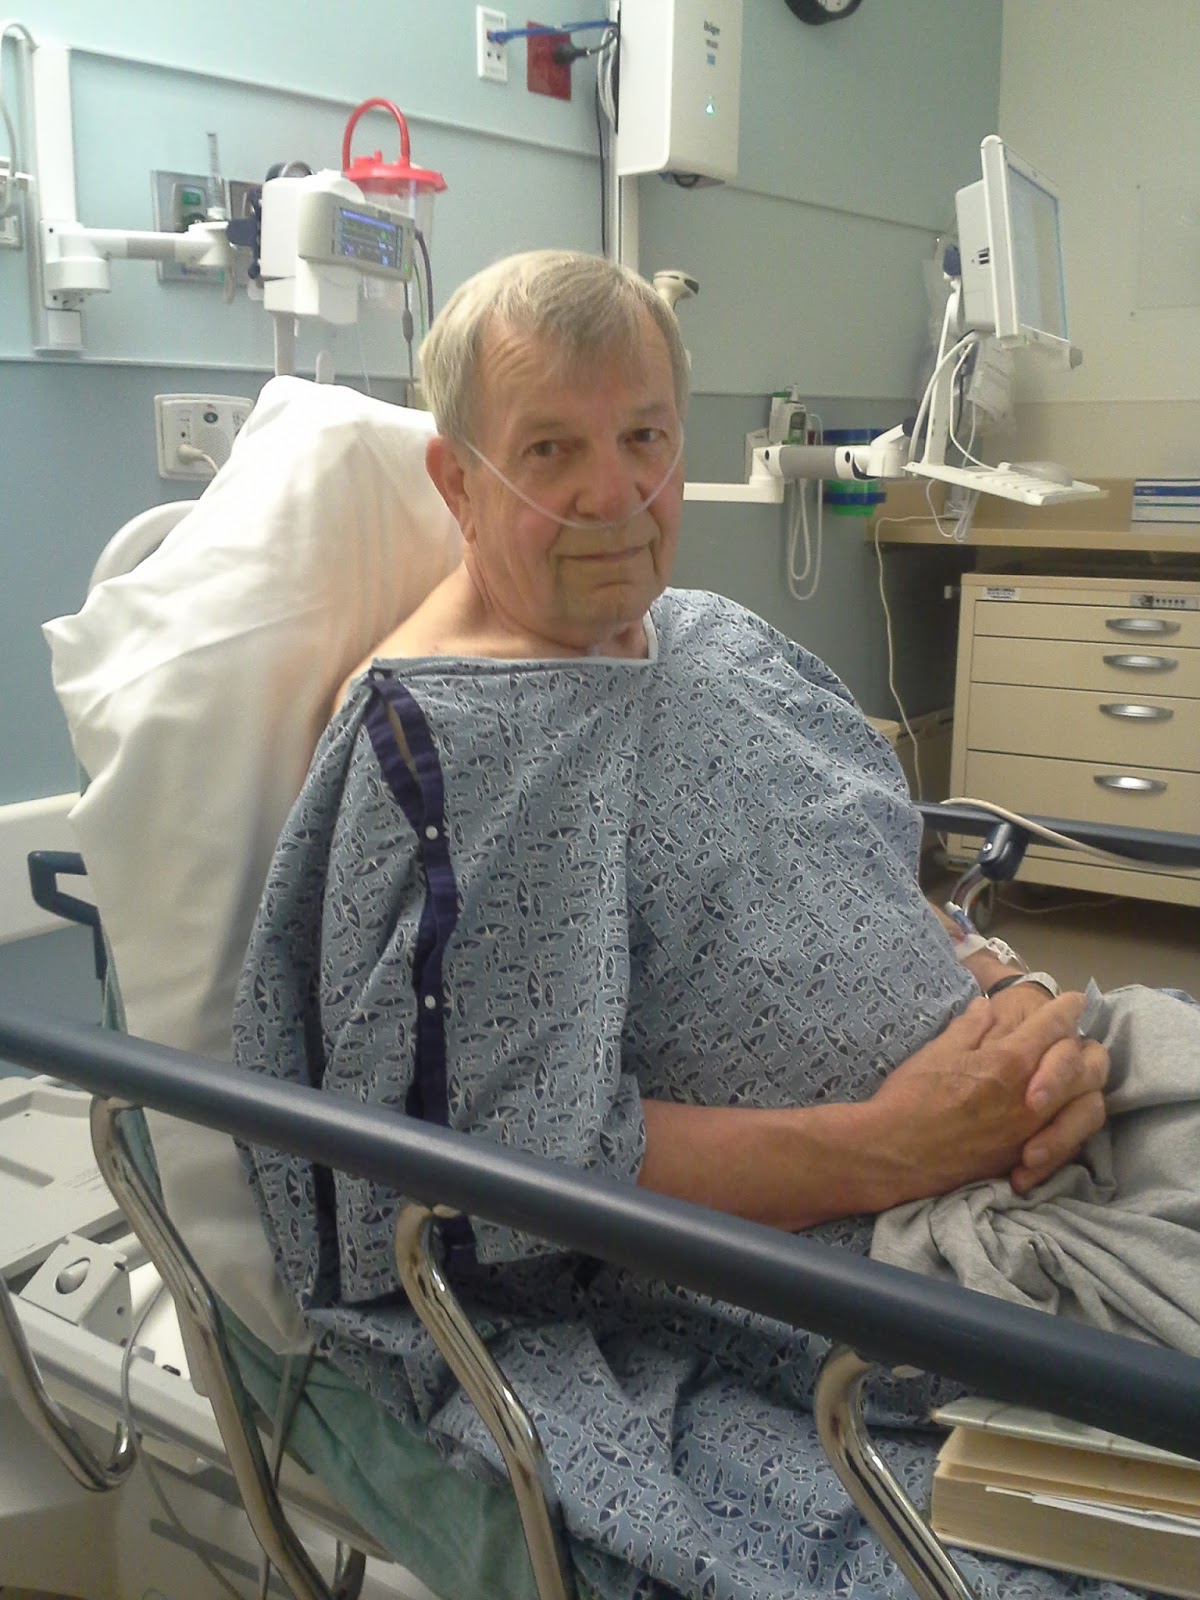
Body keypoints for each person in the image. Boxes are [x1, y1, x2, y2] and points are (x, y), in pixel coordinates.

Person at [235, 250, 1191, 1600]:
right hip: (852, 1255)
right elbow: (511, 1168)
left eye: (645, 438)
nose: (615, 494)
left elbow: (877, 865)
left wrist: (1014, 999)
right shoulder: (443, 752)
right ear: (458, 481)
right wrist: (898, 1145)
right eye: (551, 450)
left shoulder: (719, 639)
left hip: (1026, 1112)